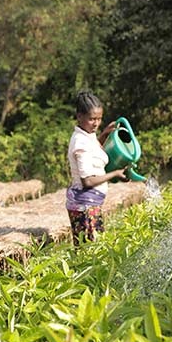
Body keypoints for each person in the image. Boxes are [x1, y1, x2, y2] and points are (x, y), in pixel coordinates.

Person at [65, 90, 128, 245]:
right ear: (79, 116)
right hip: (85, 208)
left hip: (90, 205)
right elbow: (87, 181)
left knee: (94, 250)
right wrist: (115, 173)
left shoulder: (87, 134)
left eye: (99, 119)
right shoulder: (80, 142)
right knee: (90, 253)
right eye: (92, 119)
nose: (96, 123)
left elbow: (94, 151)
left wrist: (104, 134)